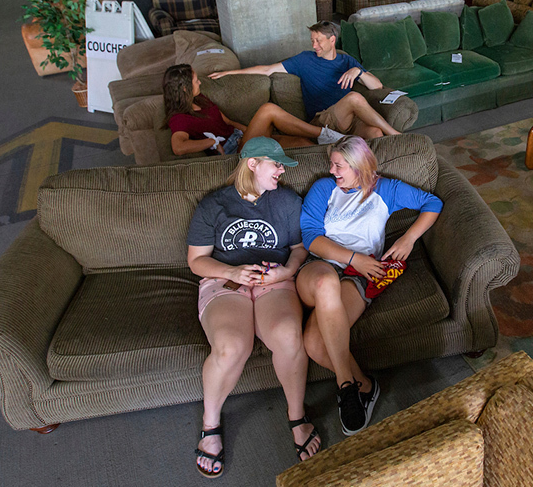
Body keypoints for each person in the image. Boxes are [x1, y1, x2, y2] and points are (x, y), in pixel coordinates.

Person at [187, 137, 321, 478]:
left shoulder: (287, 201)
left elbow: (298, 248)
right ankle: (211, 423)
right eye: (275, 164)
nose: (281, 170)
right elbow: (197, 261)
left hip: (274, 280)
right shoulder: (213, 205)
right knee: (232, 346)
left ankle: (296, 416)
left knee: (289, 335)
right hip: (225, 280)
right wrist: (233, 271)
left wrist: (287, 271)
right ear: (251, 164)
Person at [296, 135, 443, 436]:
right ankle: (346, 387)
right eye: (332, 164)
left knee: (314, 344)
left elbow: (433, 202)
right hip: (320, 266)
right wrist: (354, 257)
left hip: (358, 277)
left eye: (339, 166)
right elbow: (311, 236)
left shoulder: (386, 190)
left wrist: (408, 238)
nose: (332, 171)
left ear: (359, 165)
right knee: (325, 283)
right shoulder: (324, 188)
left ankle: (364, 384)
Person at [209, 21, 401, 141]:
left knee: (375, 133)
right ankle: (397, 136)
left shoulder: (347, 60)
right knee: (354, 98)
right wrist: (230, 72)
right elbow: (267, 69)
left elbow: (377, 86)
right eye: (312, 40)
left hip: (349, 121)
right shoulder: (304, 59)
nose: (314, 45)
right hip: (323, 120)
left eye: (318, 41)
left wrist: (358, 72)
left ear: (332, 40)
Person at [162, 64, 345, 157]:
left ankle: (341, 155)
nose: (200, 82)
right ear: (185, 88)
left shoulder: (200, 99)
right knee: (268, 110)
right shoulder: (179, 118)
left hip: (242, 140)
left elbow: (227, 122)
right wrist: (209, 142)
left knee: (303, 143)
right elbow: (178, 147)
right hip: (236, 154)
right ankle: (327, 134)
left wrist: (252, 131)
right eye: (195, 81)